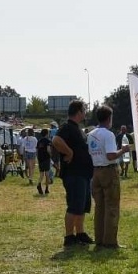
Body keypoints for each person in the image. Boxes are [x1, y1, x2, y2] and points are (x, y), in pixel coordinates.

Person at [52, 100, 93, 247]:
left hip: (83, 173)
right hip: (74, 173)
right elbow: (56, 140)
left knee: (82, 206)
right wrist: (69, 152)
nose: (85, 113)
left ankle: (80, 233)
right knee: (74, 205)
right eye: (84, 110)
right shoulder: (67, 127)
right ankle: (69, 236)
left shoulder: (77, 128)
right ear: (78, 112)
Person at [87, 105, 123, 250]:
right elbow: (111, 155)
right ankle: (110, 241)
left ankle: (99, 238)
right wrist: (123, 150)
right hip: (109, 171)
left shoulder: (91, 134)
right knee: (112, 206)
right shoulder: (108, 135)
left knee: (99, 207)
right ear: (109, 118)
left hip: (96, 171)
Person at [34, 126, 52, 196]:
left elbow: (37, 151)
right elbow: (48, 150)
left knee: (41, 174)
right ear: (47, 134)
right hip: (46, 158)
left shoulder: (39, 141)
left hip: (40, 159)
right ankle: (46, 188)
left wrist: (38, 158)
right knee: (47, 174)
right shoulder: (48, 141)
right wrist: (51, 155)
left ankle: (39, 184)